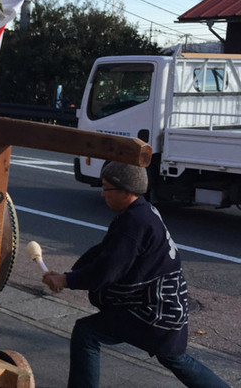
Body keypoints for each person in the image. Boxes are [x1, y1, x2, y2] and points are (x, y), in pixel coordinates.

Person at [42, 161, 229, 388]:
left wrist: (66, 280)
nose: (103, 194)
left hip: (154, 310)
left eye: (106, 188)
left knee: (87, 333)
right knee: (174, 358)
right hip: (168, 303)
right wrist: (68, 276)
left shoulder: (134, 223)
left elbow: (106, 271)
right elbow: (106, 254)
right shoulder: (144, 211)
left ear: (126, 191)